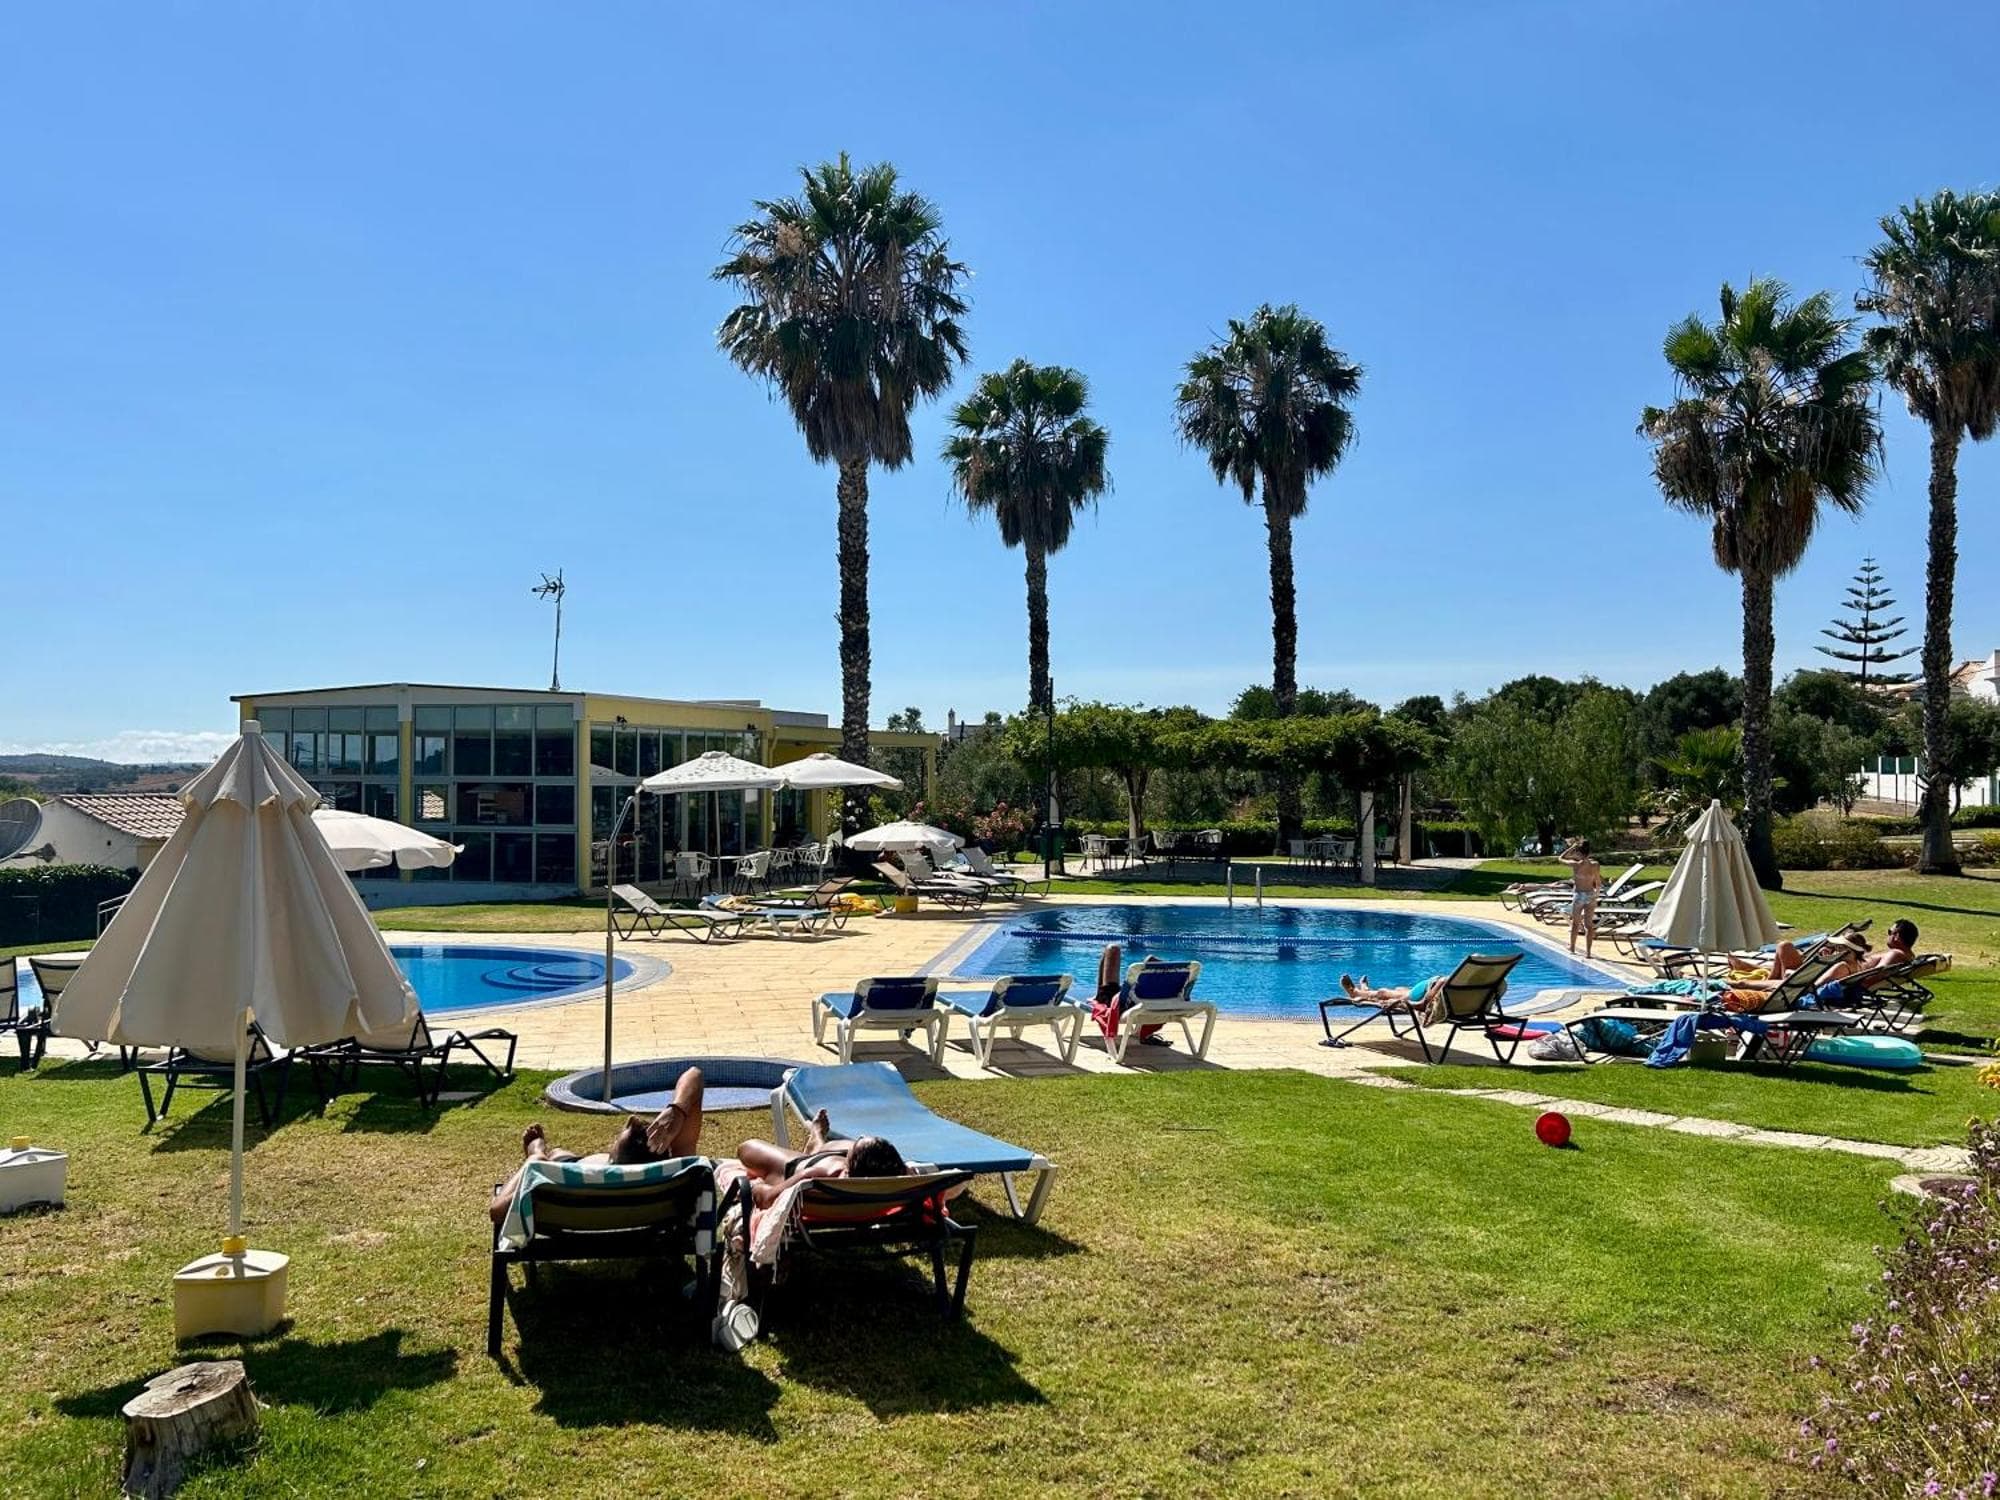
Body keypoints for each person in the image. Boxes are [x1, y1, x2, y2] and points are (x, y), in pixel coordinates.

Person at [488, 1064, 705, 1226]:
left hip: (566, 1190)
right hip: (634, 1204)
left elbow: (497, 1211)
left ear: (612, 1161)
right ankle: (547, 1156)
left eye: (617, 1139)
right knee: (561, 1154)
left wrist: (535, 1158)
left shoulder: (557, 1183)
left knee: (554, 1156)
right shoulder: (673, 1177)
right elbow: (694, 1074)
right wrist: (678, 1109)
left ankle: (535, 1154)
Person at [729, 1109, 908, 1208]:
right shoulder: (901, 1178)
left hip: (792, 1168)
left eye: (858, 1143)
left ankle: (816, 1143)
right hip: (842, 1169)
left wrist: (755, 1188)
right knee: (836, 1149)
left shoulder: (818, 1176)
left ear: (849, 1168)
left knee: (747, 1148)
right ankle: (818, 1143)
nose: (858, 1137)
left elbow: (768, 1198)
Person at [1088, 941, 1169, 1047]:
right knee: (1152, 961)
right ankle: (1100, 993)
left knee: (1113, 948)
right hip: (1153, 1006)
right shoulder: (1171, 994)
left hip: (1122, 1006)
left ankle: (1099, 994)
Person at [1558, 838, 1602, 957]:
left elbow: (1560, 858)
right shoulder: (1595, 865)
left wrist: (1572, 847)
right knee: (1589, 925)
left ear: (1578, 852)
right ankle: (1588, 953)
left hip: (1579, 895)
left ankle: (1572, 948)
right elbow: (1598, 882)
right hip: (1591, 895)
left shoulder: (1575, 864)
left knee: (1575, 924)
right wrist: (1597, 894)